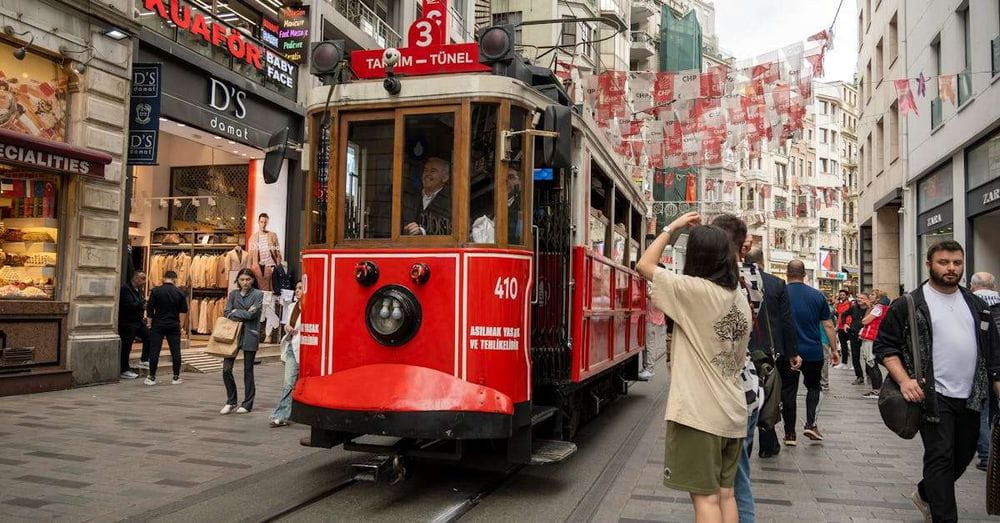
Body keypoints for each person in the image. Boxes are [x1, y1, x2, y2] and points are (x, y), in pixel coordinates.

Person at [637, 212, 751, 523]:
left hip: (700, 415)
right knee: (725, 495)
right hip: (733, 410)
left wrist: (670, 227)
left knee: (705, 502)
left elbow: (644, 265)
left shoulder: (694, 291)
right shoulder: (739, 298)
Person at [874, 241, 1000, 522]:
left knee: (964, 455)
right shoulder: (909, 304)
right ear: (929, 264)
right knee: (940, 457)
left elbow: (993, 354)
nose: (951, 268)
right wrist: (905, 381)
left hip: (971, 395)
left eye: (957, 262)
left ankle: (925, 492)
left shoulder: (976, 304)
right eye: (944, 262)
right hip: (932, 396)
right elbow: (884, 347)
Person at [709, 214, 763, 523]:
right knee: (738, 474)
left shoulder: (719, 284)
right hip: (749, 388)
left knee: (728, 485)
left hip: (727, 393)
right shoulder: (754, 278)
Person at [744, 248, 800, 459]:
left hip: (743, 348)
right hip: (768, 350)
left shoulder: (735, 279)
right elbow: (786, 321)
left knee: (745, 394)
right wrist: (792, 352)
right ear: (762, 262)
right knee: (767, 395)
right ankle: (768, 443)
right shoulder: (776, 283)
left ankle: (744, 445)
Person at [785, 260, 840, 443]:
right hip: (813, 351)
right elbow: (828, 325)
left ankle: (789, 434)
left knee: (789, 392)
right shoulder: (817, 296)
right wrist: (834, 349)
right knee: (814, 387)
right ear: (804, 275)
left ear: (786, 274)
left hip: (789, 351)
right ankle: (810, 424)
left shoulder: (781, 293)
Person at [220, 269, 264, 414]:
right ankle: (231, 401)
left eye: (248, 279)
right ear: (238, 280)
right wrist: (241, 313)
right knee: (226, 369)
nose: (245, 282)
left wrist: (236, 312)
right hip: (232, 335)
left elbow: (254, 314)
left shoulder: (258, 294)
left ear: (252, 280)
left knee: (248, 371)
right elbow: (227, 312)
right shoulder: (233, 294)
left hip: (250, 334)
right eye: (242, 279)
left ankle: (247, 403)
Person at [970, 271, 1000, 471]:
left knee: (982, 408)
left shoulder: (969, 305)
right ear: (994, 286)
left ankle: (986, 454)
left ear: (972, 286)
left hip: (979, 363)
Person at [145, 270, 188, 386]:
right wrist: (181, 326)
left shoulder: (155, 291)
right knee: (175, 350)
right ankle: (176, 376)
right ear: (175, 279)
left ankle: (152, 376)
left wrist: (149, 323)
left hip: (158, 324)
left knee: (154, 350)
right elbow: (183, 311)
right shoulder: (180, 293)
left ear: (164, 278)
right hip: (173, 324)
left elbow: (149, 309)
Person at [270, 281, 303, 427]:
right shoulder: (291, 306)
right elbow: (286, 325)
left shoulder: (313, 307)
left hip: (305, 348)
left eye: (301, 288)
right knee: (288, 382)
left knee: (302, 383)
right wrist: (288, 328)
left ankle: (296, 412)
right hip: (292, 345)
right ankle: (281, 415)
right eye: (296, 288)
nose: (297, 291)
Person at [403, 156, 452, 236]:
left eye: (433, 171)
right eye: (426, 170)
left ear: (445, 178)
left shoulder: (451, 201)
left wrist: (422, 232)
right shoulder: (410, 197)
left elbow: (449, 229)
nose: (427, 174)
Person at [118, 271, 150, 380]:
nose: (144, 282)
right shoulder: (125, 289)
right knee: (127, 346)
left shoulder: (138, 290)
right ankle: (124, 369)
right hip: (128, 322)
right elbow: (128, 305)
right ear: (136, 279)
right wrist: (142, 304)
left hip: (138, 321)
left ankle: (144, 359)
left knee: (149, 336)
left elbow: (138, 303)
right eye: (143, 279)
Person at [859, 293, 887, 399]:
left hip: (871, 337)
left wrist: (870, 308)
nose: (870, 296)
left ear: (878, 298)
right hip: (872, 337)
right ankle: (877, 389)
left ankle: (876, 390)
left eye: (872, 294)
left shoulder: (878, 308)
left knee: (871, 363)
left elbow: (865, 320)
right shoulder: (876, 307)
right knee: (871, 363)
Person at [248, 213, 282, 292]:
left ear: (267, 223)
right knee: (259, 289)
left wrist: (277, 265)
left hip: (271, 266)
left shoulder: (272, 235)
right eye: (261, 222)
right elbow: (250, 256)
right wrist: (249, 270)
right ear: (258, 222)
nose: (263, 224)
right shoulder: (253, 237)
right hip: (259, 268)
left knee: (271, 290)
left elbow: (278, 252)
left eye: (265, 222)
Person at [846, 294, 868, 385]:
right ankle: (859, 376)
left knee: (868, 356)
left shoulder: (870, 309)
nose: (859, 299)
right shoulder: (853, 308)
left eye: (861, 298)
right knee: (855, 356)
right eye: (858, 298)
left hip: (866, 335)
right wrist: (845, 324)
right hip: (854, 333)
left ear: (867, 299)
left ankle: (870, 374)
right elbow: (843, 315)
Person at [834, 290, 854, 370]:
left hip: (848, 327)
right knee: (843, 346)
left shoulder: (850, 304)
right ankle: (844, 363)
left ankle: (854, 364)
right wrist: (837, 326)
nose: (842, 296)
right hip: (840, 327)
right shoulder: (838, 305)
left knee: (851, 347)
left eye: (843, 295)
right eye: (840, 295)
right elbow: (839, 316)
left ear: (846, 296)